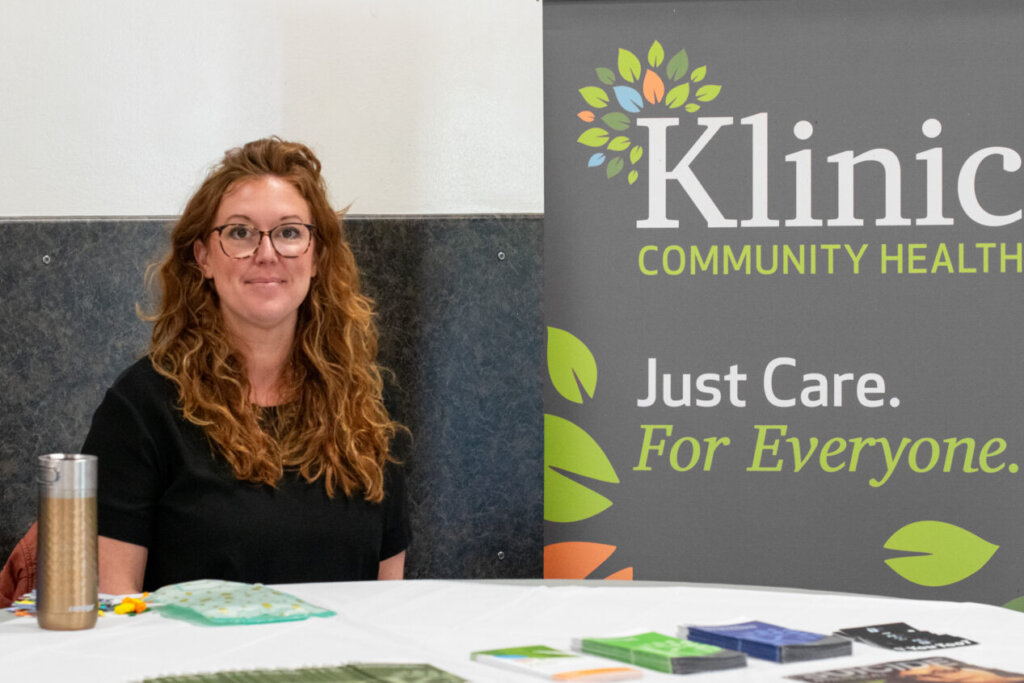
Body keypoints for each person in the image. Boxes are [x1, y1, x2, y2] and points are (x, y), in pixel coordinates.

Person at [85, 137, 409, 593]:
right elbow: (112, 607)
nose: (267, 252)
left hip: (339, 665)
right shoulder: (140, 409)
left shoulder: (365, 406)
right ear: (202, 258)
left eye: (290, 232)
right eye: (239, 232)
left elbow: (387, 599)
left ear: (317, 257)